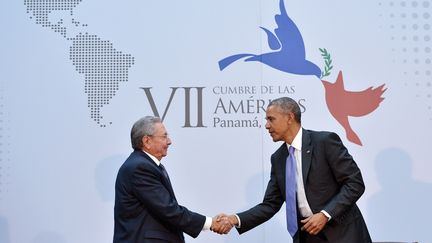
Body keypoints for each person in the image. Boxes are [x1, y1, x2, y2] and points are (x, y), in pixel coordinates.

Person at [221, 97, 372, 243]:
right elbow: (270, 204)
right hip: (307, 237)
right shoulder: (278, 158)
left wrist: (325, 214)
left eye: (271, 119)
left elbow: (355, 183)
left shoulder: (324, 142)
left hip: (343, 235)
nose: (266, 125)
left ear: (289, 117)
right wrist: (234, 219)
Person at [113, 116, 231, 243]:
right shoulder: (139, 168)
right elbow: (168, 209)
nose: (169, 141)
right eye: (164, 137)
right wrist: (210, 223)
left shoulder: (146, 165)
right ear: (146, 141)